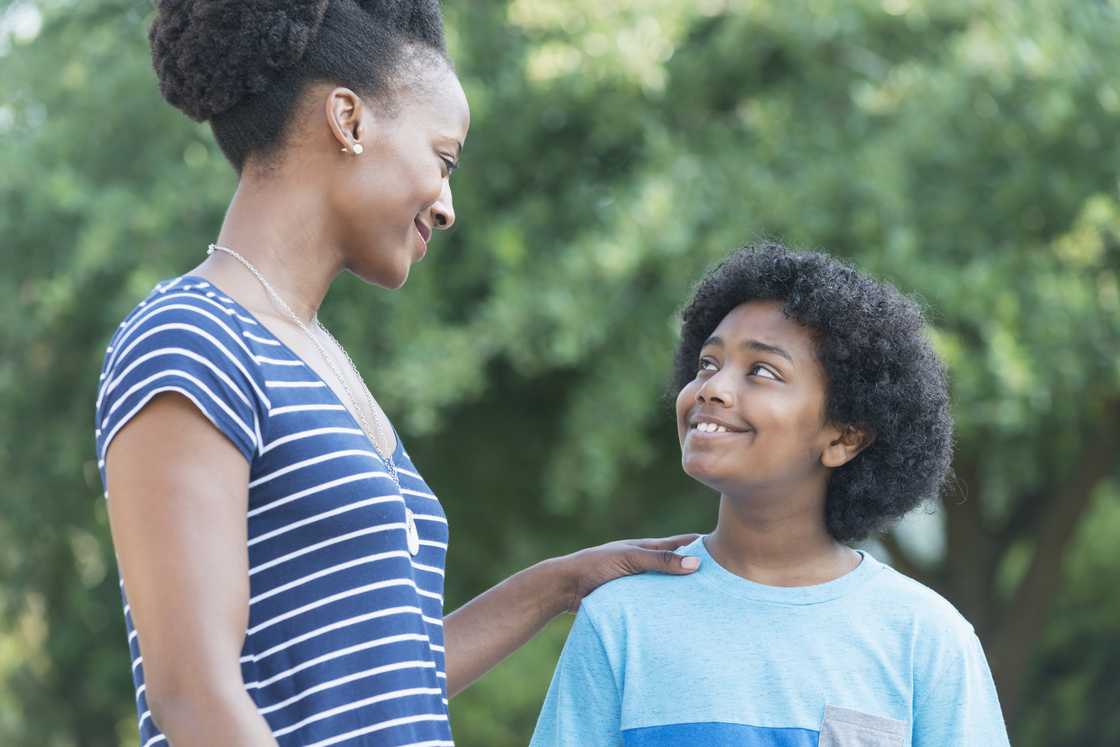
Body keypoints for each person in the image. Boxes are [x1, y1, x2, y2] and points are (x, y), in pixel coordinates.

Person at [94, 1, 699, 745]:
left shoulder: (319, 358)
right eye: (443, 160)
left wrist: (561, 583)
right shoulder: (191, 336)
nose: (447, 207)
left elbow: (383, 681)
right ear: (348, 119)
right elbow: (193, 696)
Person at [529, 243, 1011, 746]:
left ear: (844, 438)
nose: (712, 388)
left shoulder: (925, 637)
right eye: (708, 363)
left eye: (762, 371)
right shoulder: (621, 620)